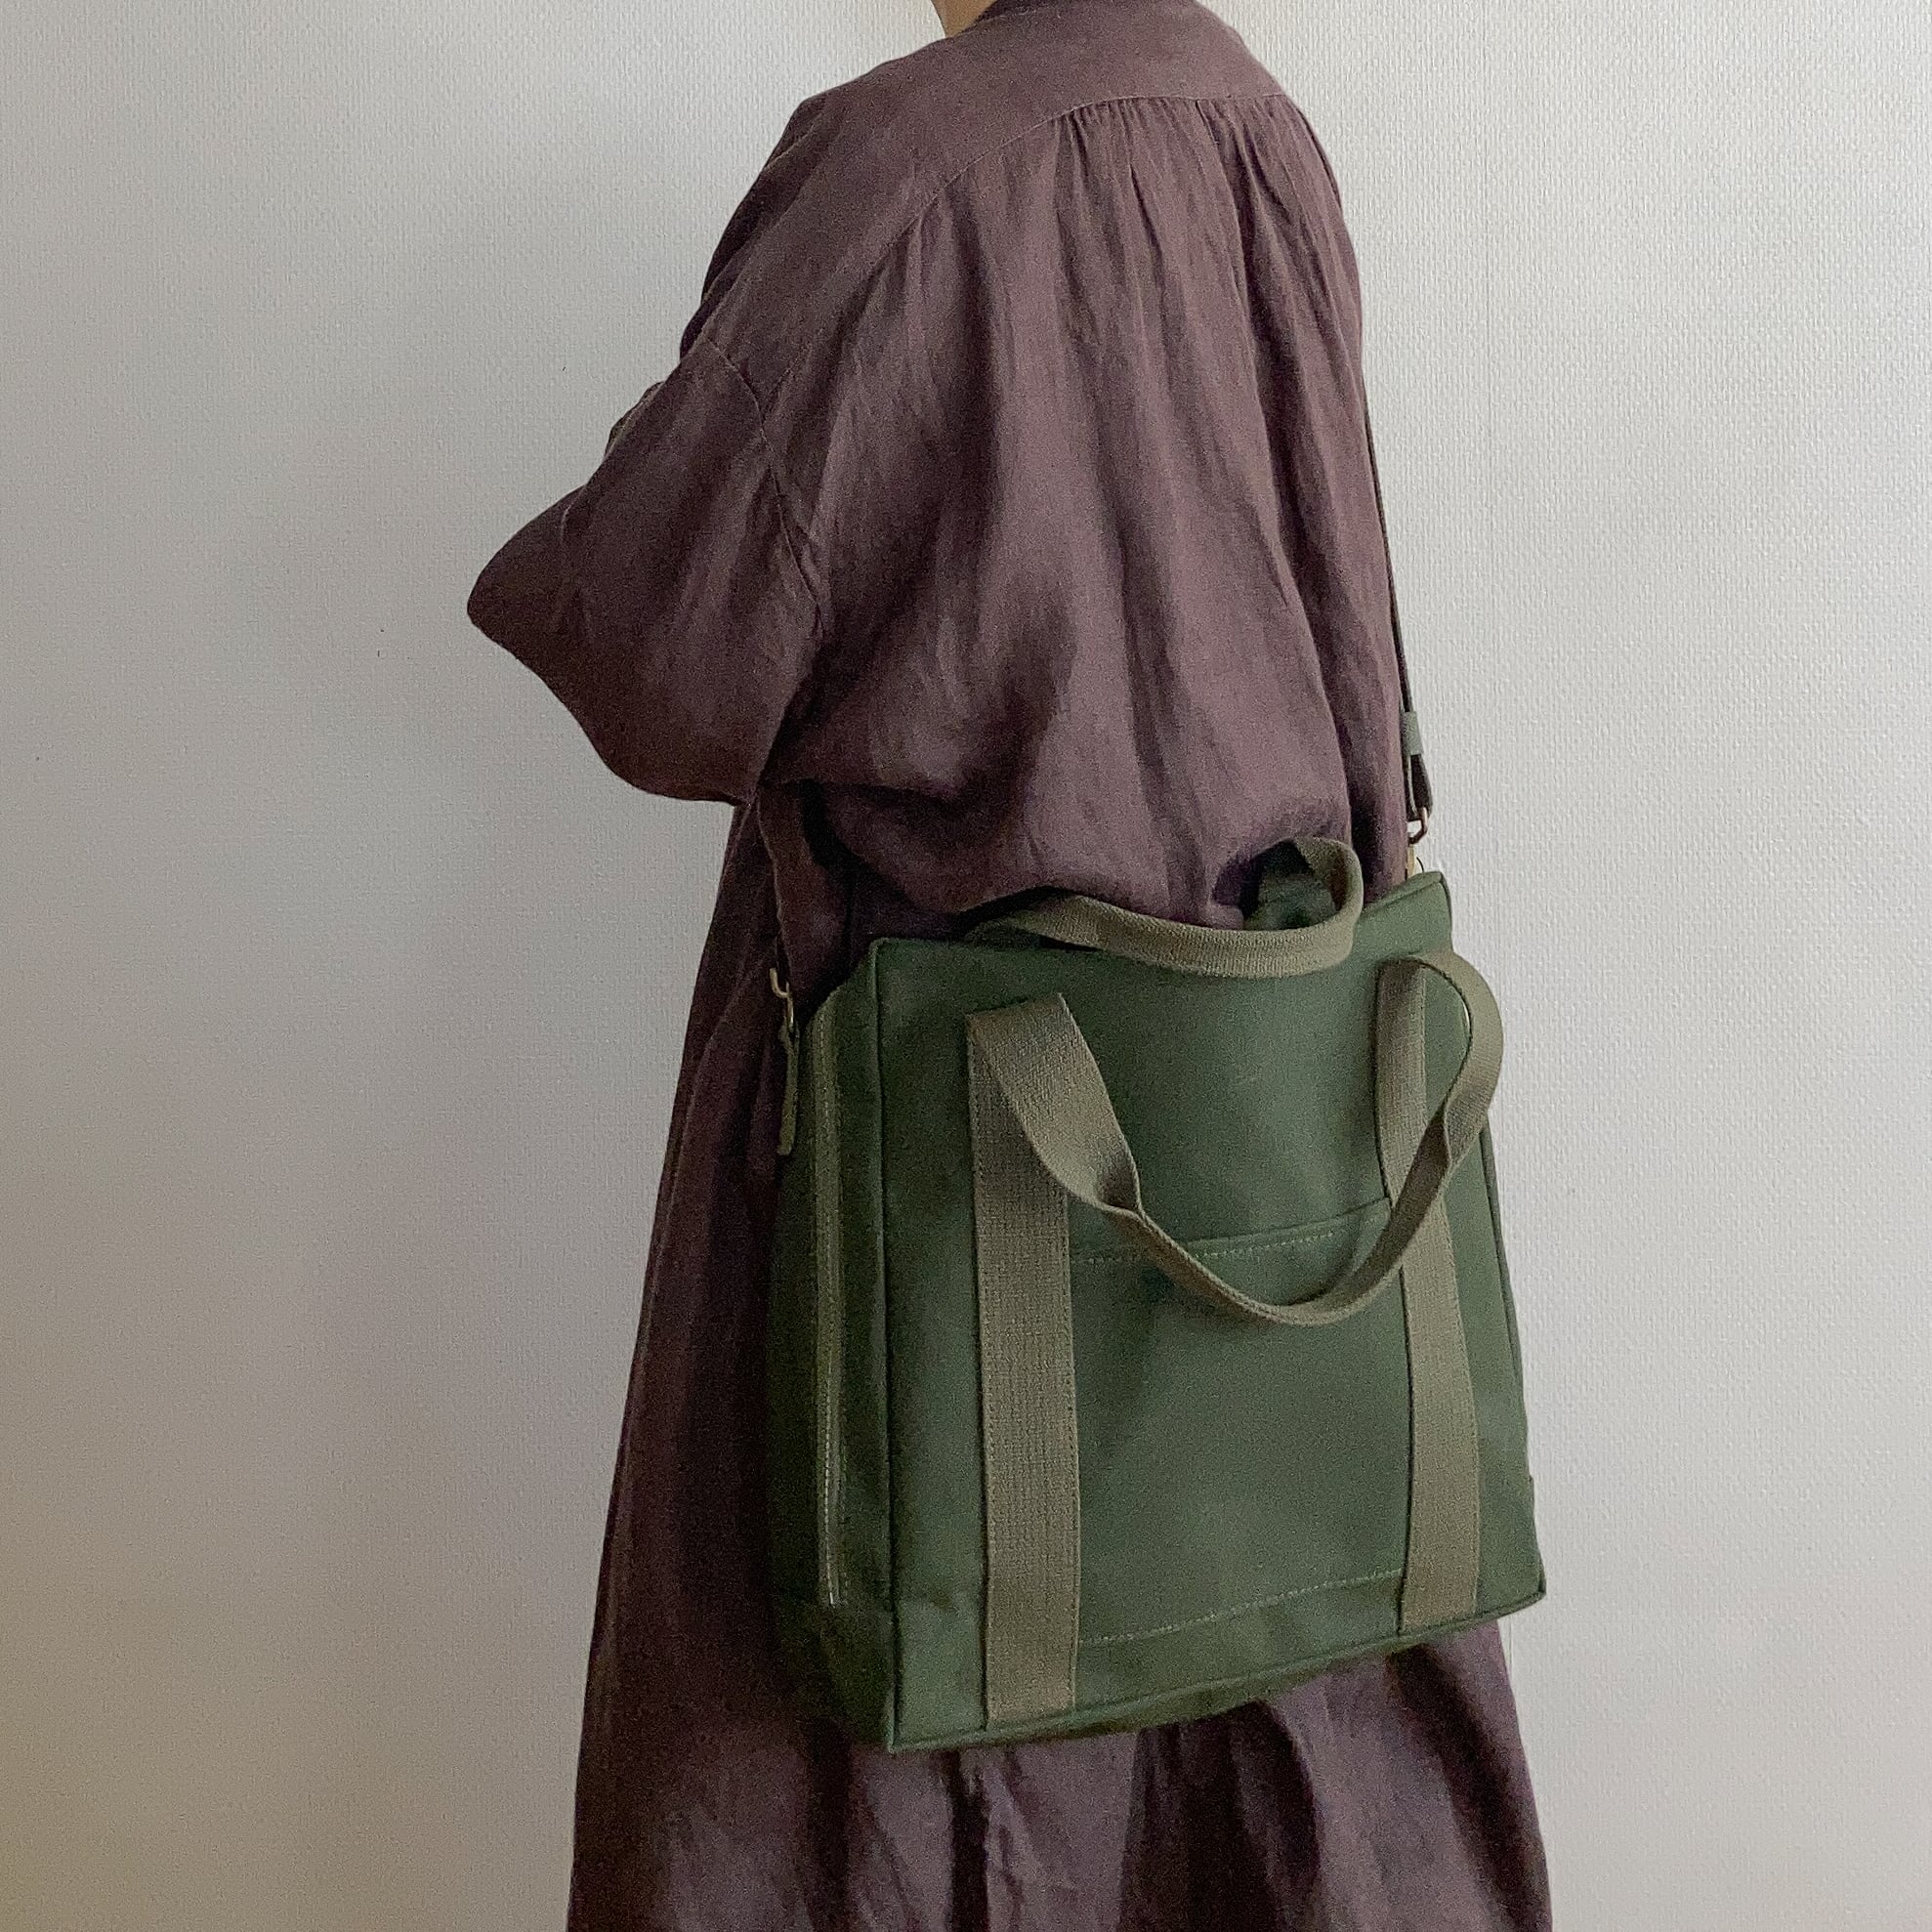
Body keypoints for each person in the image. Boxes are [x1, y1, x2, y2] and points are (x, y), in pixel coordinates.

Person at [466, 0, 1550, 1924]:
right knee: (1264, 1667)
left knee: (889, 1719)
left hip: (957, 1145)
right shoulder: (1246, 114)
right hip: (1277, 1140)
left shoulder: (902, 165)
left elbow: (657, 652)